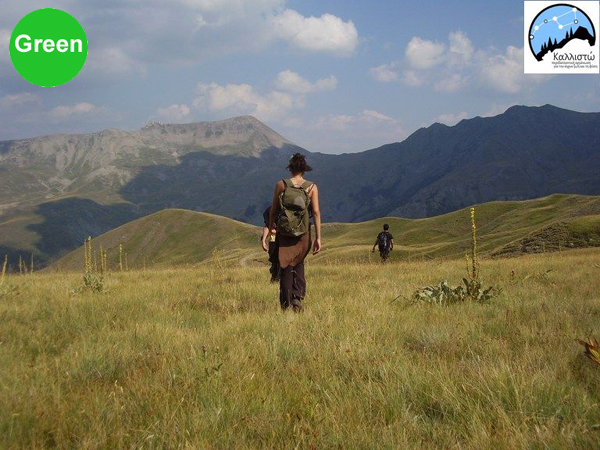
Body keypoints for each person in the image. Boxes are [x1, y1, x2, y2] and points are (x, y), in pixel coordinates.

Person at [268, 153, 321, 312]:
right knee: (298, 263)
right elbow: (316, 212)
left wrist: (270, 231)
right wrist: (318, 238)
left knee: (285, 266)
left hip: (284, 233)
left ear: (290, 168)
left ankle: (286, 305)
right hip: (303, 233)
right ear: (304, 169)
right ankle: (297, 297)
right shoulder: (311, 187)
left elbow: (273, 211)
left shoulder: (281, 185)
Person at [261, 205, 280, 282]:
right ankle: (275, 276)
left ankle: (278, 277)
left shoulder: (288, 210)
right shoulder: (270, 210)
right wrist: (263, 241)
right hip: (273, 237)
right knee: (273, 256)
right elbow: (267, 226)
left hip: (284, 238)